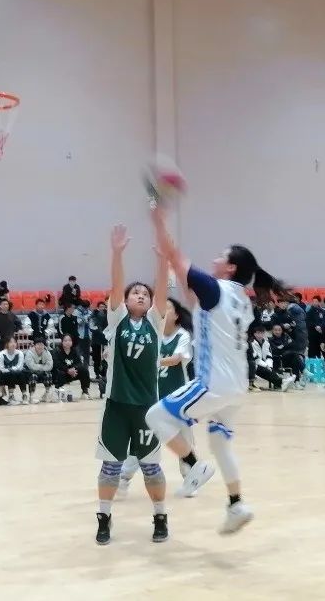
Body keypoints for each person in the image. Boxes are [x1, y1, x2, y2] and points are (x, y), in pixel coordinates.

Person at [145, 208, 288, 535]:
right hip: (237, 388)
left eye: (221, 256)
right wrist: (170, 260)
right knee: (220, 443)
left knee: (156, 416)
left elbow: (177, 255)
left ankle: (194, 467)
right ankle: (236, 505)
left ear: (231, 267)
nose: (214, 259)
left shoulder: (216, 288)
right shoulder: (240, 299)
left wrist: (158, 218)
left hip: (214, 383)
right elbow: (190, 295)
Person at [94, 221, 169, 546]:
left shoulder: (155, 321)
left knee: (151, 468)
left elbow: (162, 289)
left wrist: (163, 261)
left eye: (144, 293)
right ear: (125, 301)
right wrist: (117, 253)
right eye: (135, 292)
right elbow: (116, 284)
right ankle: (104, 516)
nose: (140, 294)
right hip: (116, 406)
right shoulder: (118, 319)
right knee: (110, 467)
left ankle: (160, 516)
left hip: (147, 408)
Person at [119, 297, 196, 499]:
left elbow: (176, 359)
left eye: (167, 308)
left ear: (176, 315)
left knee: (184, 441)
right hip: (154, 398)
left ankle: (191, 478)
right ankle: (123, 478)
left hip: (178, 399)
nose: (162, 311)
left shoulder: (183, 336)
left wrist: (151, 361)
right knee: (143, 439)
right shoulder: (152, 334)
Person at [249, 325, 294, 391]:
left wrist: (269, 366)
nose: (260, 335)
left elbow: (269, 356)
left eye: (262, 333)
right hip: (255, 364)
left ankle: (280, 384)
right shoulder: (251, 343)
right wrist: (266, 365)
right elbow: (256, 359)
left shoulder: (267, 343)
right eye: (258, 333)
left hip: (265, 364)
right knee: (264, 369)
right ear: (254, 334)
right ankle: (282, 382)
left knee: (270, 369)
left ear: (264, 334)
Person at [53, 334, 93, 401]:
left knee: (84, 370)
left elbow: (79, 363)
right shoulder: (57, 351)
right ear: (62, 342)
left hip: (73, 372)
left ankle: (85, 391)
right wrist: (67, 370)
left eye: (69, 340)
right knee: (60, 373)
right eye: (65, 341)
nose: (67, 342)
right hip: (62, 372)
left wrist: (73, 369)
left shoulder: (74, 351)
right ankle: (58, 392)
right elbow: (57, 364)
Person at [0, 337, 29, 404]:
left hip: (17, 374)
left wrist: (10, 369)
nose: (13, 344)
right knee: (11, 374)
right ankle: (11, 396)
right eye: (10, 342)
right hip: (5, 376)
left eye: (14, 342)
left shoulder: (20, 353)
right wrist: (11, 370)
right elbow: (0, 369)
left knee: (22, 373)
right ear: (7, 344)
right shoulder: (2, 354)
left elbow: (20, 367)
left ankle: (24, 395)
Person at [25, 337, 54, 404]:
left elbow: (50, 366)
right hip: (31, 372)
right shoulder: (29, 353)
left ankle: (47, 394)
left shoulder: (47, 353)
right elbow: (31, 366)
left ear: (44, 346)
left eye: (42, 345)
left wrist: (39, 367)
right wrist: (43, 366)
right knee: (33, 376)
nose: (40, 346)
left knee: (48, 375)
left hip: (42, 372)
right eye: (38, 344)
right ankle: (31, 397)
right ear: (34, 345)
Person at [90, 301, 109, 379]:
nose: (102, 308)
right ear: (97, 307)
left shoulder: (108, 315)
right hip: (96, 340)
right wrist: (99, 331)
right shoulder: (93, 315)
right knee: (96, 357)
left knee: (105, 357)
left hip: (105, 339)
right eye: (100, 306)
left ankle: (104, 373)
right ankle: (97, 373)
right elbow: (91, 326)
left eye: (103, 306)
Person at [74, 300, 94, 369]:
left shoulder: (90, 312)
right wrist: (84, 319)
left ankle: (86, 369)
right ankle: (78, 368)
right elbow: (78, 322)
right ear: (81, 306)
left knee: (87, 354)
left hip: (88, 336)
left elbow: (92, 323)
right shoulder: (76, 312)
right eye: (84, 307)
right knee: (78, 353)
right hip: (79, 336)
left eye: (87, 307)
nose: (86, 309)